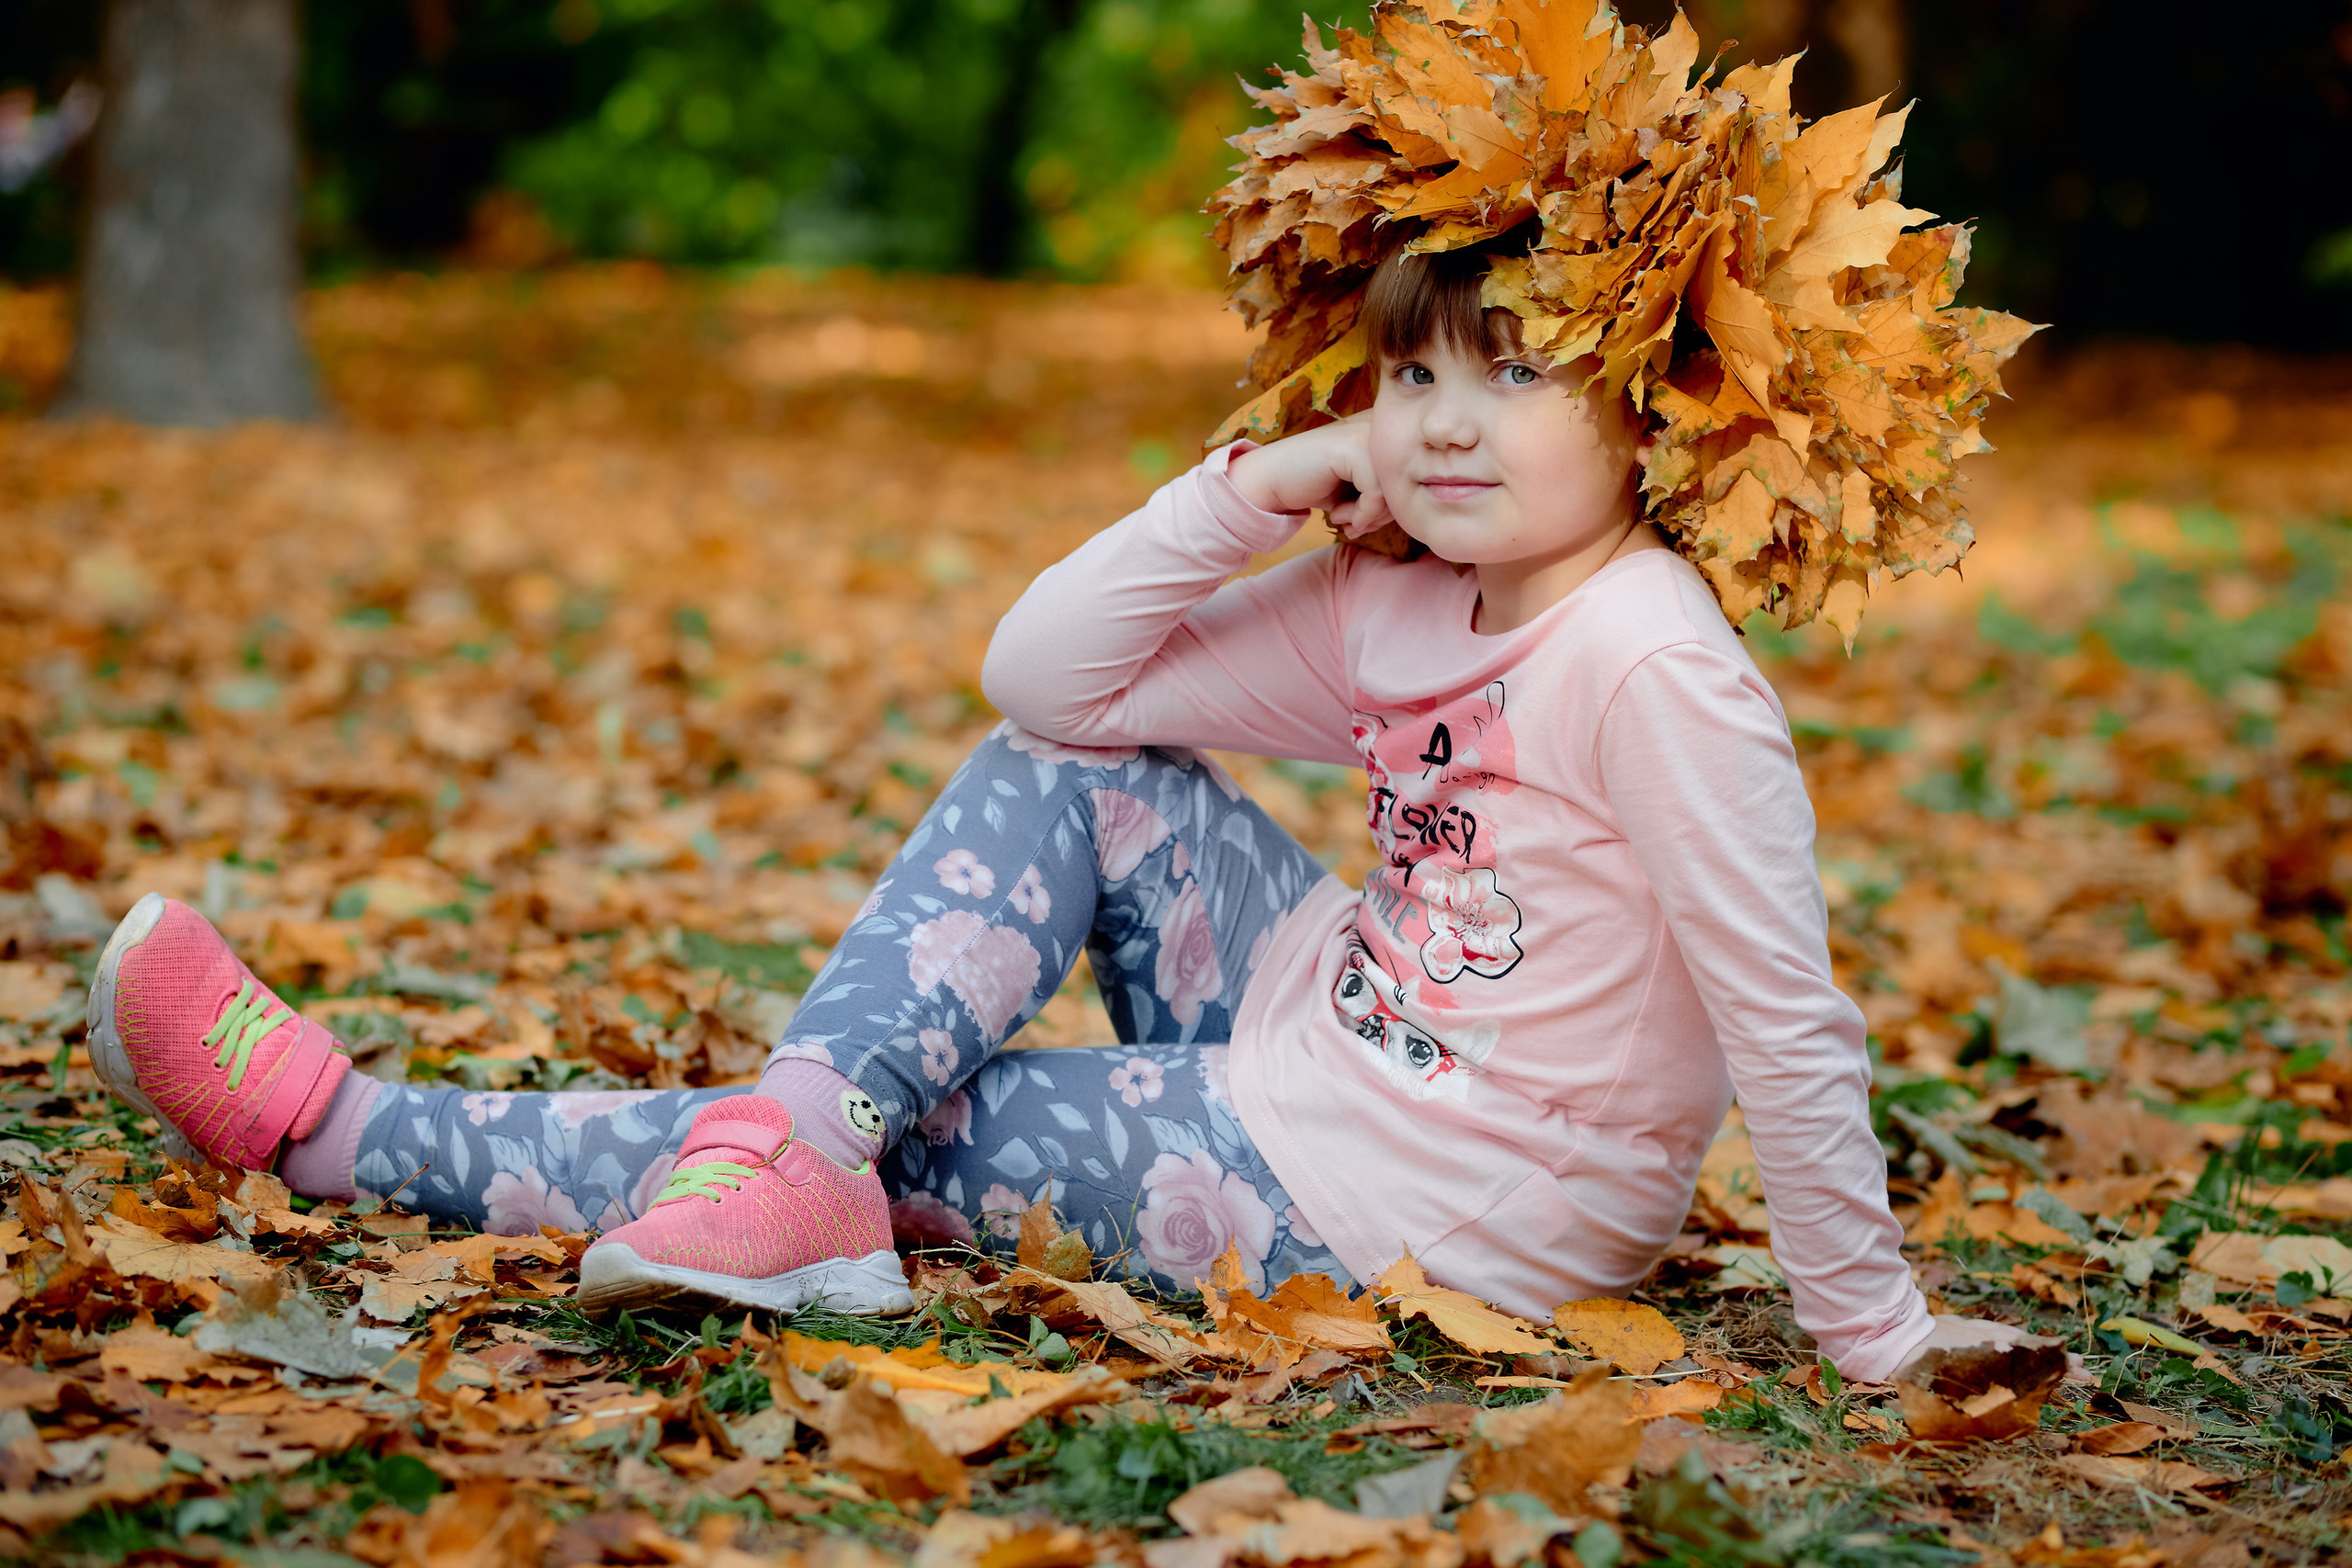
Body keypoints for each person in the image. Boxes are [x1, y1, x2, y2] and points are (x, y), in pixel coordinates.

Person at [80, 2, 2047, 1382]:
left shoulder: (1648, 660)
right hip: (1327, 1041)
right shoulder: (1400, 603)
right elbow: (1055, 683)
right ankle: (787, 1148)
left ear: (1656, 400)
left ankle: (347, 1132)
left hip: (1453, 1206)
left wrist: (1870, 1327)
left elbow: (1782, 1001)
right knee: (1058, 784)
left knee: (916, 1137)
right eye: (1411, 374)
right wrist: (1261, 484)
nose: (1445, 424)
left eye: (1515, 372)